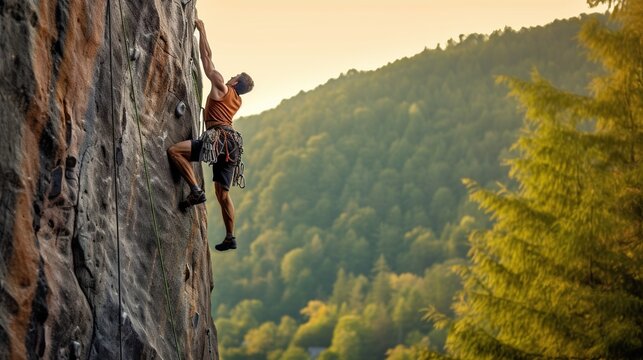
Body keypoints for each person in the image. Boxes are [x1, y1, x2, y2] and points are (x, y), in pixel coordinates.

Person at [167, 14, 254, 251]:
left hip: (218, 139)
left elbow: (207, 59)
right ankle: (230, 236)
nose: (231, 76)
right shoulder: (237, 101)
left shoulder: (222, 87)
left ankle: (195, 190)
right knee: (223, 194)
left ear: (235, 82)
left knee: (175, 151)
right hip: (232, 145)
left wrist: (201, 29)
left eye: (235, 76)